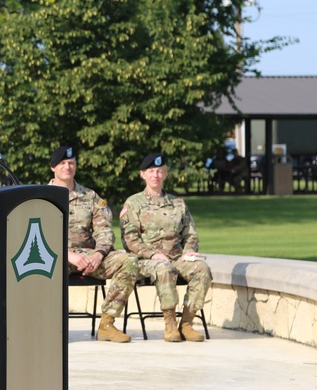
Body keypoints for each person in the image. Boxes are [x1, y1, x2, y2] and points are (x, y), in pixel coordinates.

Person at [48, 145, 139, 343]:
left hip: (89, 257)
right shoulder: (41, 197)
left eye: (71, 163)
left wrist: (98, 254)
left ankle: (107, 324)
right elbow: (36, 236)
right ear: (53, 168)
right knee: (38, 267)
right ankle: (48, 327)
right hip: (54, 257)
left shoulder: (91, 197)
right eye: (62, 163)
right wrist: (67, 254)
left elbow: (104, 230)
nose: (67, 167)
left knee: (129, 261)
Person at [120, 153, 213, 342]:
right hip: (146, 260)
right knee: (165, 268)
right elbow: (129, 239)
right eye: (151, 171)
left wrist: (188, 251)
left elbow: (190, 234)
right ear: (142, 175)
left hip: (177, 257)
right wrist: (152, 254)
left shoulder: (178, 203)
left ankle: (186, 323)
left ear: (165, 174)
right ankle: (170, 323)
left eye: (159, 171)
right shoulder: (133, 203)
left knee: (202, 269)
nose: (155, 175)